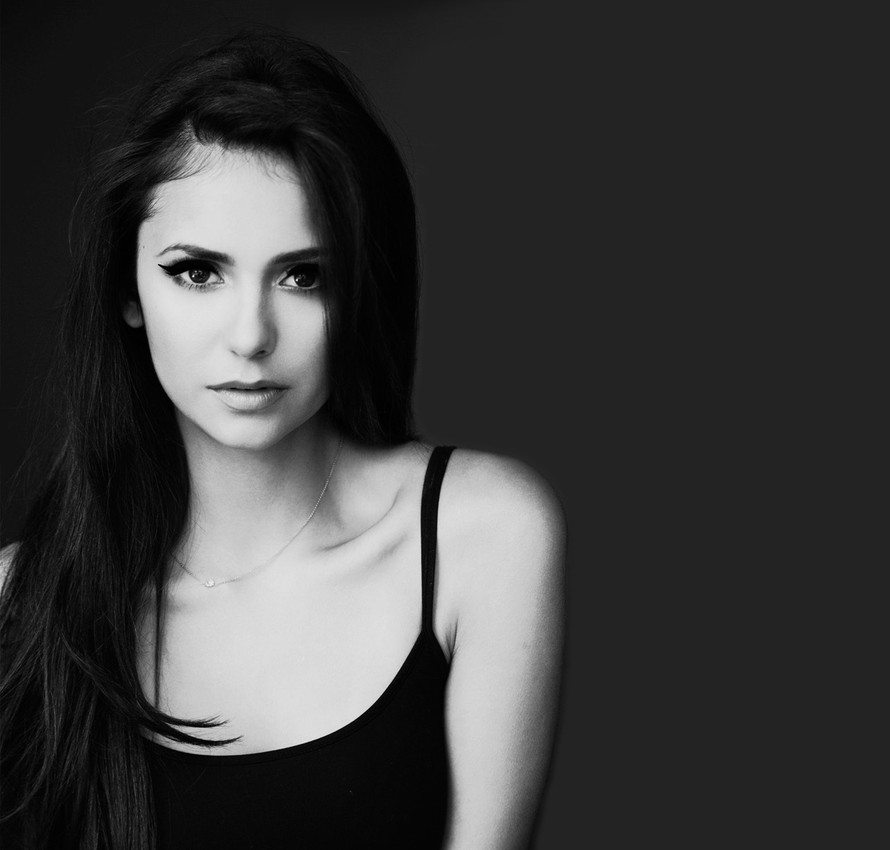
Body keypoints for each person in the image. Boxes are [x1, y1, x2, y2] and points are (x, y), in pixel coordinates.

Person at [0, 30, 564, 850]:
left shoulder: (482, 535)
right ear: (128, 289)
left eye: (304, 275)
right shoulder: (23, 604)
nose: (251, 336)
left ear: (359, 287)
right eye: (197, 271)